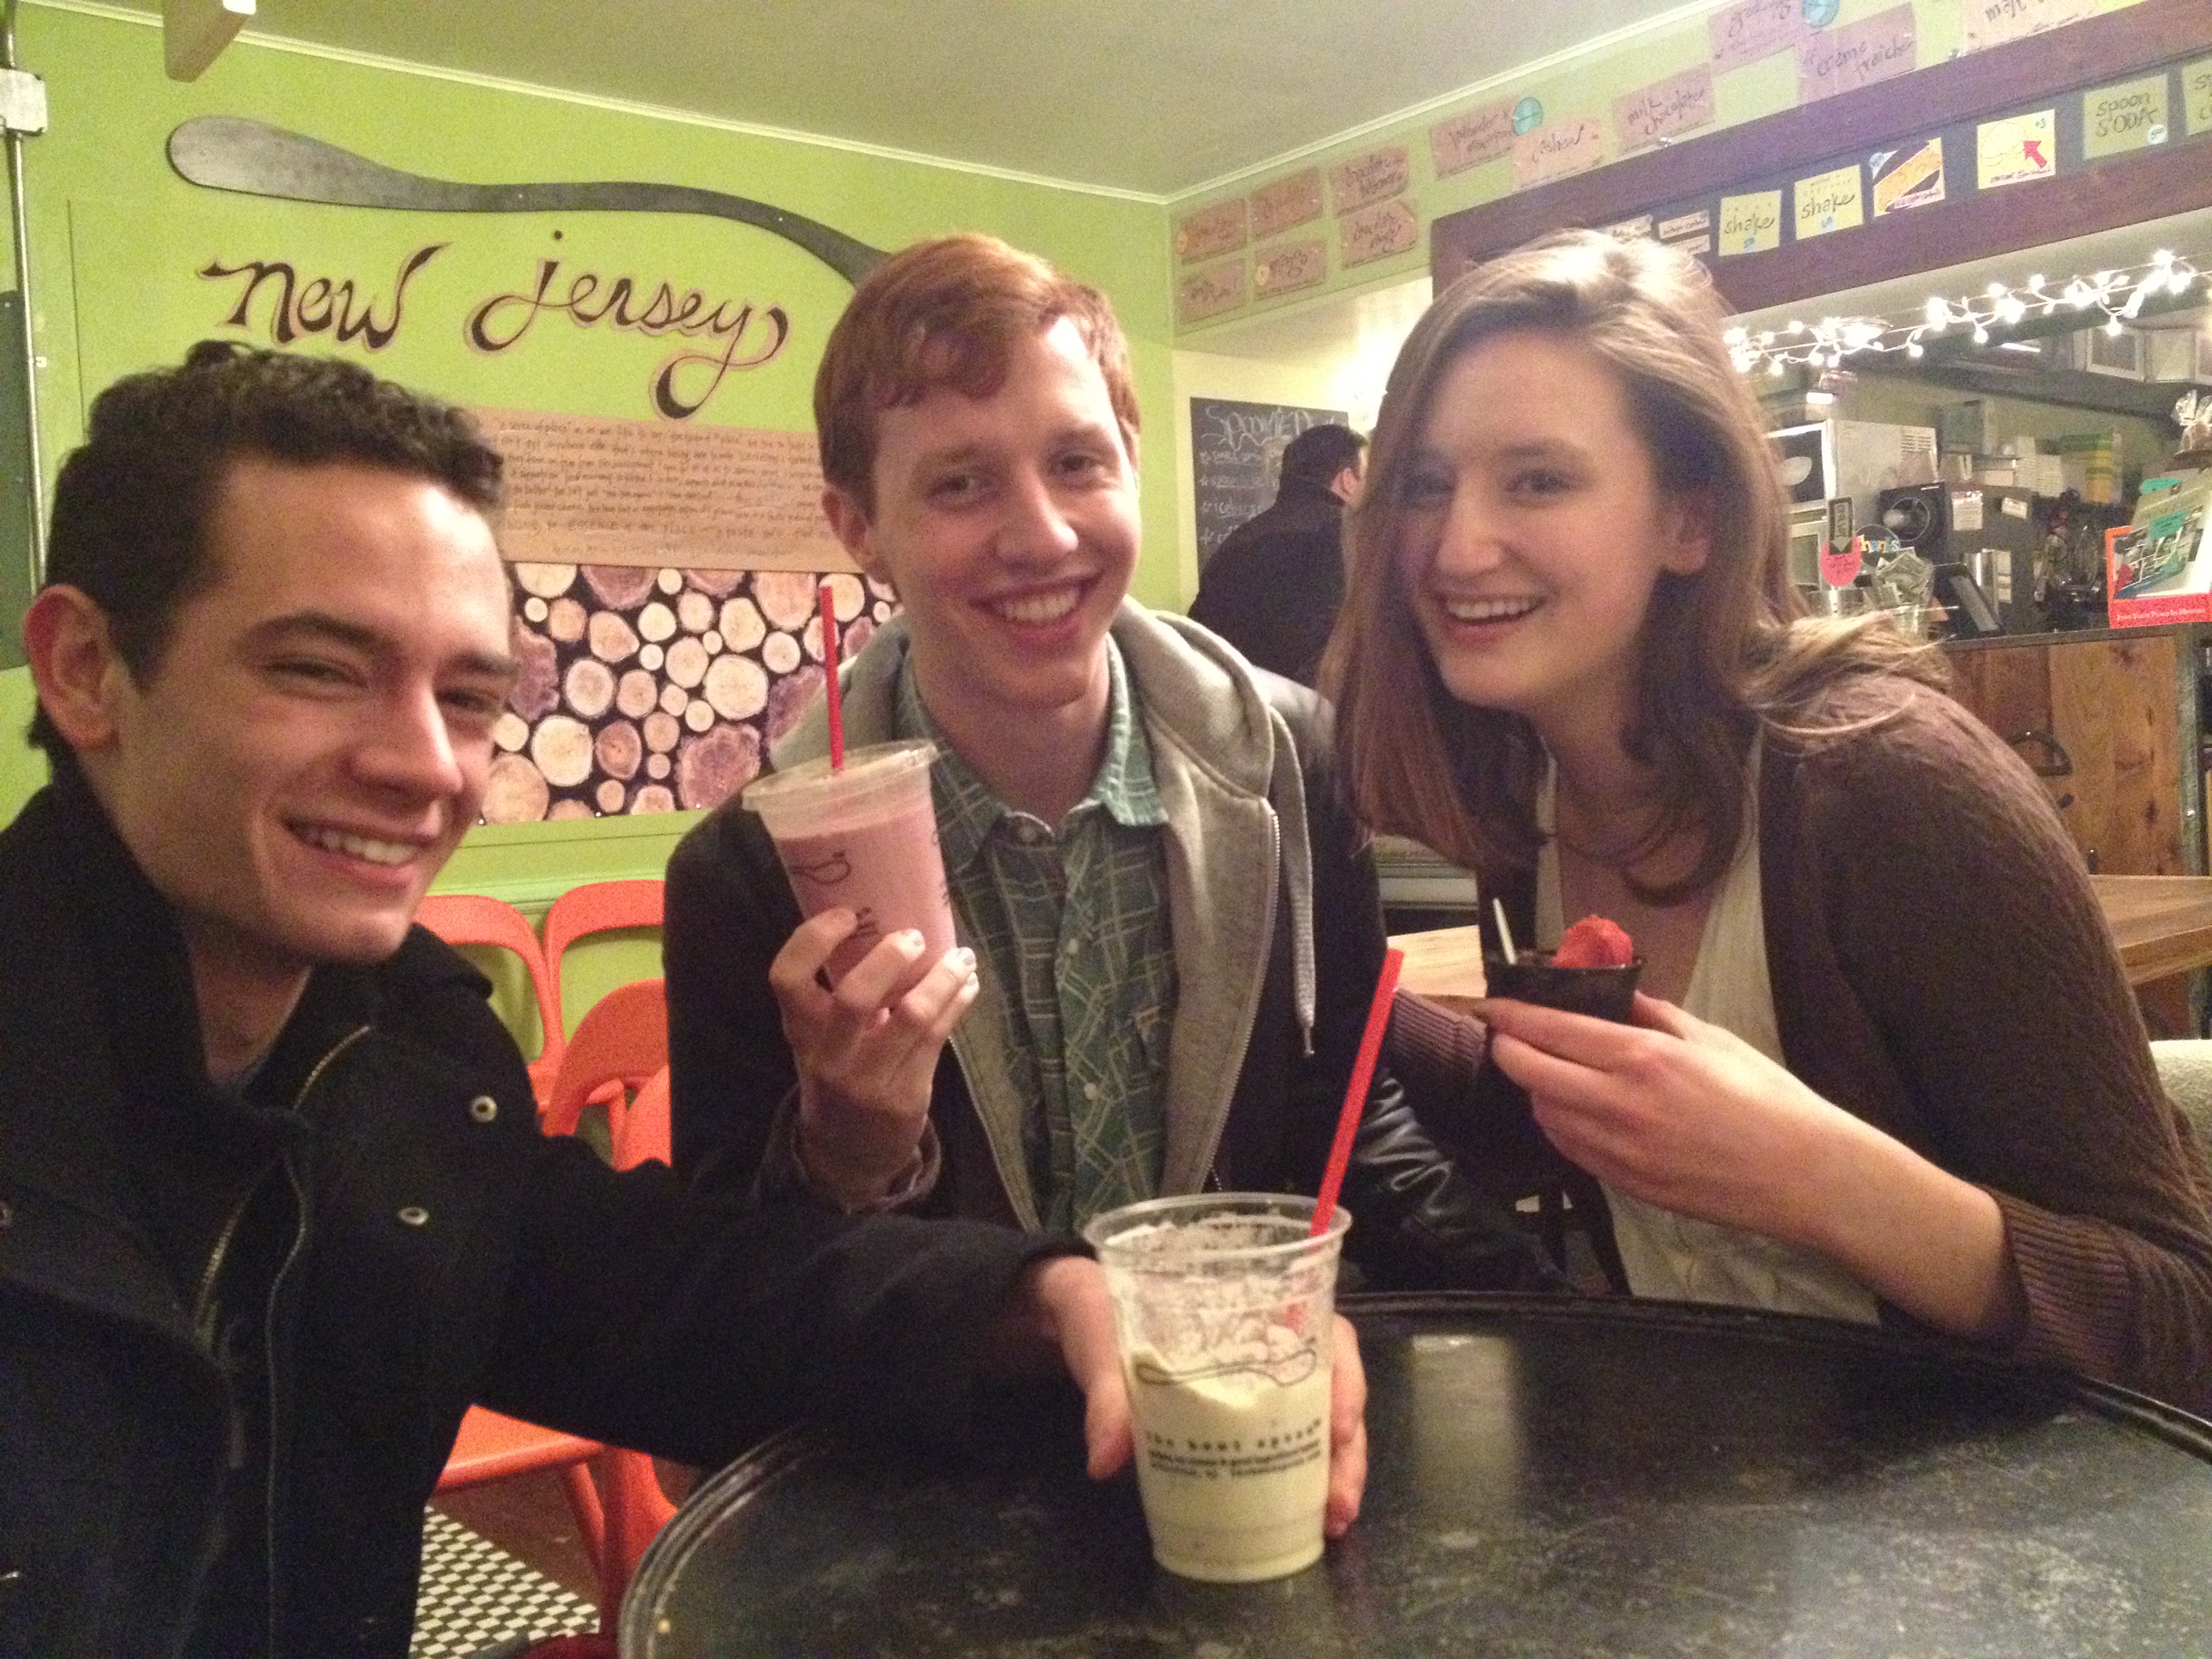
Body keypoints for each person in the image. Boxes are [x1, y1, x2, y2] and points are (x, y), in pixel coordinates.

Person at [0, 342, 1198, 1659]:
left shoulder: (406, 1060)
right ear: (84, 670)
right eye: (319, 670)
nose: (422, 765)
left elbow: (674, 1294)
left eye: (466, 697)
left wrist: (1044, 1297)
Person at [1324, 228, 2212, 1412]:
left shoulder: (1884, 782)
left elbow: (2178, 1315)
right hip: (1720, 1486)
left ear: (1687, 520)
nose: (1454, 544)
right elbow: (1597, 1122)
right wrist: (1322, 978)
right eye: (1424, 484)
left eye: (1536, 478)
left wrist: (1815, 1174)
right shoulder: (1526, 795)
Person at [663, 234, 1549, 1298]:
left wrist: (1548, 1315)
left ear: (1132, 463)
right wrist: (846, 1153)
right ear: (859, 528)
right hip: (958, 1444)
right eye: (960, 484)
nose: (1040, 536)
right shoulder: (750, 873)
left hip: (1244, 1399)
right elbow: (730, 1290)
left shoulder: (1290, 763)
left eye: (1077, 463)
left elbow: (1343, 1125)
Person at [1188, 422, 1366, 685]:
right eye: (1367, 477)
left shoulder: (1235, 543)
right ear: (1348, 480)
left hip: (1238, 710)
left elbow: (1198, 645)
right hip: (1318, 717)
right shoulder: (1354, 539)